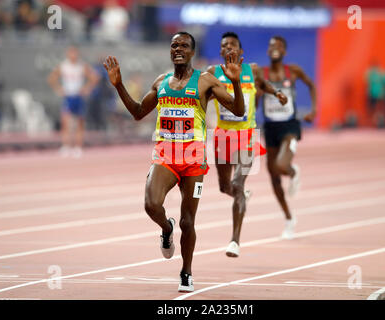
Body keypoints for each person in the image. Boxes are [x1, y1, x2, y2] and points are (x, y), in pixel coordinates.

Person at [103, 31, 245, 292]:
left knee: (188, 222)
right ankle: (166, 228)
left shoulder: (205, 82)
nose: (178, 49)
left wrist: (235, 82)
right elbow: (137, 113)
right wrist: (118, 85)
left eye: (183, 45)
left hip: (193, 160)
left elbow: (238, 110)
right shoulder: (162, 82)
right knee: (151, 204)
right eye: (174, 45)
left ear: (192, 52)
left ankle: (186, 272)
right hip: (166, 156)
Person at [206, 31, 287, 258]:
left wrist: (277, 92)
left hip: (246, 136)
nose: (228, 48)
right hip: (223, 136)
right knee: (224, 187)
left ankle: (234, 240)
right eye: (224, 45)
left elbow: (264, 83)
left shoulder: (252, 70)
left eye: (232, 45)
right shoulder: (213, 73)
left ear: (241, 51)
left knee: (237, 184)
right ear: (221, 51)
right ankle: (241, 194)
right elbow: (201, 94)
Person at [260, 35, 316, 240]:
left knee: (282, 166)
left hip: (290, 126)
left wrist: (313, 110)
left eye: (279, 46)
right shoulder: (262, 74)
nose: (275, 48)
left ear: (284, 51)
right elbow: (256, 97)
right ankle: (289, 218)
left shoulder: (293, 71)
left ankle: (292, 171)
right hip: (270, 127)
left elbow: (311, 85)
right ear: (268, 51)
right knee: (273, 176)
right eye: (272, 45)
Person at [48, 46, 99, 158]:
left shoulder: (81, 66)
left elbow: (95, 78)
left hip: (78, 96)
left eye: (75, 53)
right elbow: (52, 78)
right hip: (68, 96)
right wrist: (58, 89)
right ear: (68, 54)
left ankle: (78, 147)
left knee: (79, 123)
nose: (73, 56)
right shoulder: (63, 66)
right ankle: (66, 146)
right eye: (71, 53)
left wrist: (87, 88)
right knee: (65, 122)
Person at [365, 60, 385, 127]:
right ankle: (374, 122)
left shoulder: (377, 73)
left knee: (376, 109)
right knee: (373, 108)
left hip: (376, 93)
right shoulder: (372, 73)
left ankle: (377, 122)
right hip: (374, 93)